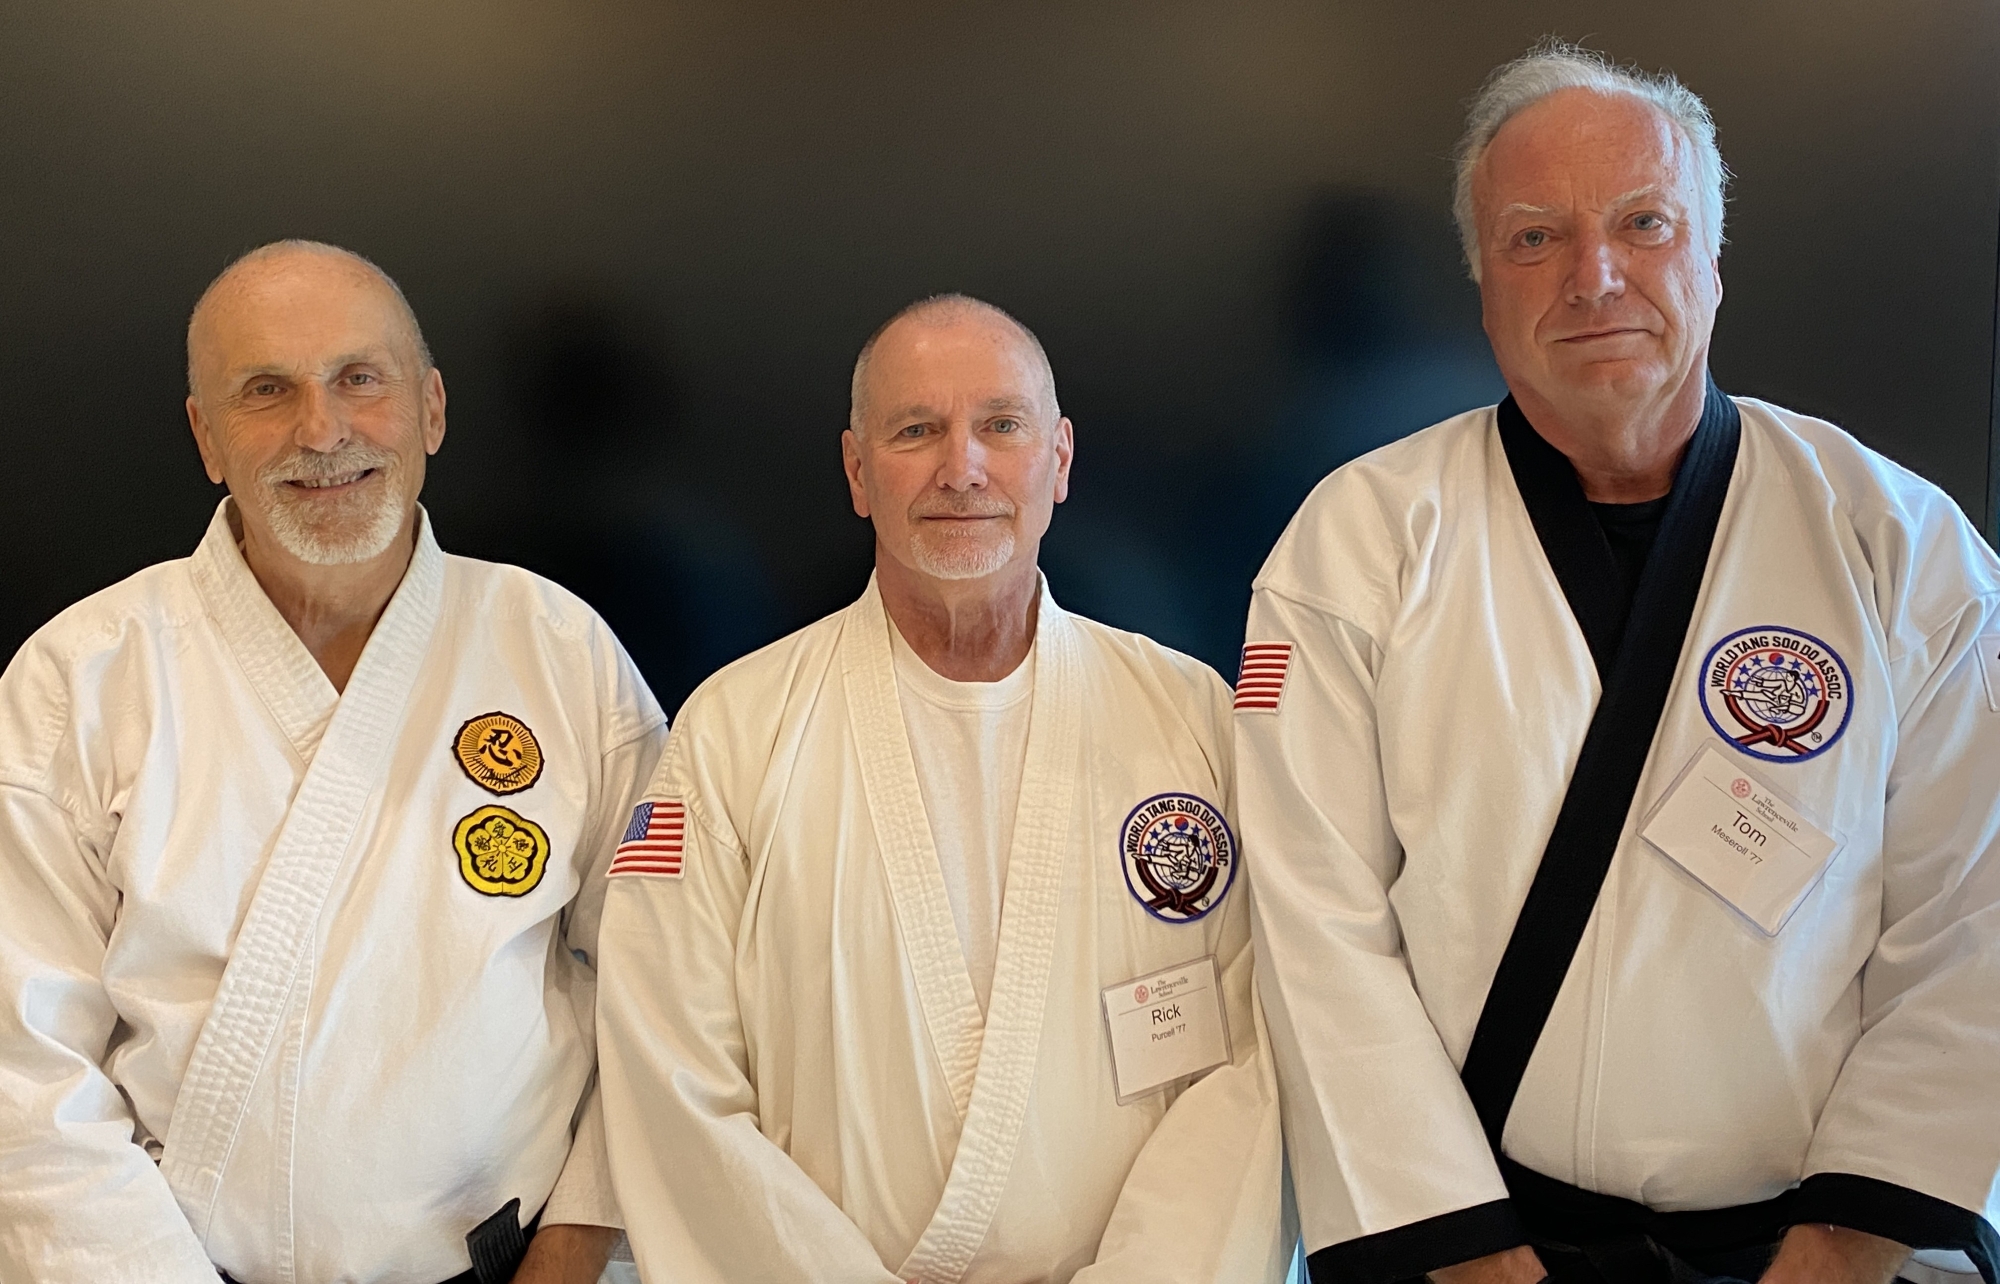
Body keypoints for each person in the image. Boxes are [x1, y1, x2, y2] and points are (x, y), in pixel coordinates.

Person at [1239, 43, 2000, 1284]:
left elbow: (1973, 923)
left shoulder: (1899, 548)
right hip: (1472, 1244)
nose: (1594, 276)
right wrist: (1472, 1260)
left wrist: (1838, 1252)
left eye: (1643, 223)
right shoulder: (1357, 541)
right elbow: (1312, 929)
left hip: (1818, 1248)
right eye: (1533, 239)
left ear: (1709, 260)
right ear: (1480, 285)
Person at [0, 240, 664, 1283]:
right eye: (267, 391)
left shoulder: (559, 648)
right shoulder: (77, 679)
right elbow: (21, 1070)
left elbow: (663, 984)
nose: (323, 431)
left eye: (361, 379)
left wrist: (579, 1245)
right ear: (205, 437)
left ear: (431, 409)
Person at [595, 294, 1293, 1282]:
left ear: (1057, 459)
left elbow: (1249, 1064)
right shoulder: (733, 729)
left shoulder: (1187, 716)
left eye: (999, 427)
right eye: (915, 430)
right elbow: (671, 1078)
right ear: (856, 472)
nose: (960, 467)